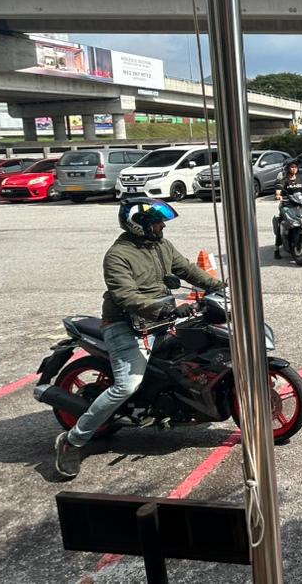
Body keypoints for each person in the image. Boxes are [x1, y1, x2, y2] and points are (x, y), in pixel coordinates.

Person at [54, 197, 226, 479]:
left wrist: (222, 287)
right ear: (139, 225)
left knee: (192, 354)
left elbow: (187, 269)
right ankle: (73, 441)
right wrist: (167, 308)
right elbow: (126, 296)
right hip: (125, 325)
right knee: (126, 385)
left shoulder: (161, 246)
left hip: (159, 320)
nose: (162, 226)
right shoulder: (118, 256)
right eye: (157, 222)